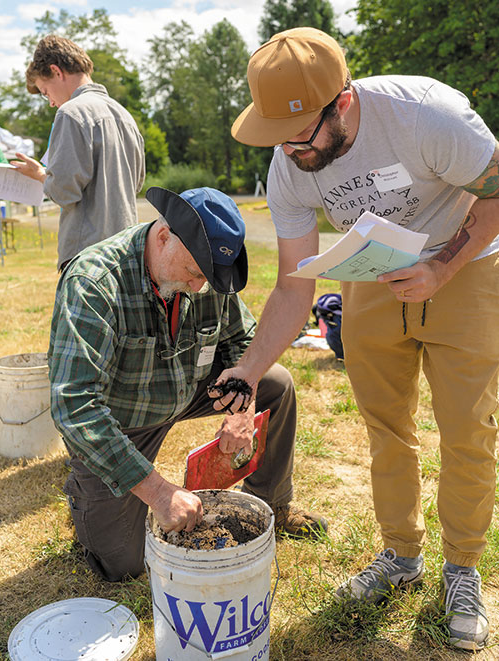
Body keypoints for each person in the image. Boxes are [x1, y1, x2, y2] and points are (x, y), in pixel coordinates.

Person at [210, 27, 499, 651]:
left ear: (342, 103)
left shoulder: (427, 115)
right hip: (371, 277)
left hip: (467, 262)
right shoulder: (290, 162)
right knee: (386, 426)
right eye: (276, 137)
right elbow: (294, 288)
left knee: (466, 428)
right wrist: (250, 368)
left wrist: (442, 267)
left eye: (300, 135)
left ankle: (463, 569)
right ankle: (400, 556)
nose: (288, 152)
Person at [48, 185, 327, 582]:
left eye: (207, 278)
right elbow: (74, 405)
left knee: (274, 384)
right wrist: (161, 494)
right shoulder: (94, 283)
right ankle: (85, 490)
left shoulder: (203, 275)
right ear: (163, 237)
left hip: (190, 386)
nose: (199, 287)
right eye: (195, 273)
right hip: (125, 418)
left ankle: (273, 504)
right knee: (124, 564)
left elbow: (243, 341)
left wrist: (243, 409)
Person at [11, 35, 145, 271]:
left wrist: (43, 176)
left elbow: (64, 192)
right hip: (127, 253)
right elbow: (136, 184)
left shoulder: (71, 113)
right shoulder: (125, 115)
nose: (51, 102)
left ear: (56, 71)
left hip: (88, 258)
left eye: (45, 91)